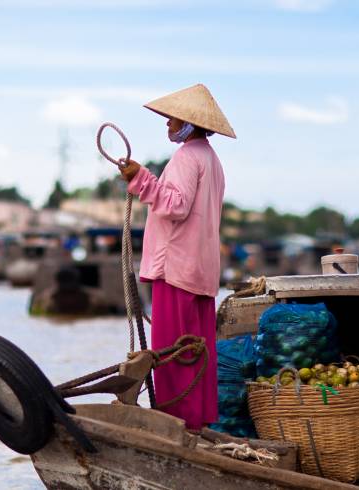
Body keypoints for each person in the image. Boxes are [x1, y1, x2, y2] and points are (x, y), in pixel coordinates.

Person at [119, 84, 236, 430]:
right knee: (197, 351)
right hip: (200, 271)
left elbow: (176, 205)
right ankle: (197, 423)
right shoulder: (212, 160)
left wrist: (140, 179)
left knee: (172, 352)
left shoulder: (187, 157)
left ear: (188, 123)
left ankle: (174, 423)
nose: (167, 125)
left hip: (177, 269)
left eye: (171, 119)